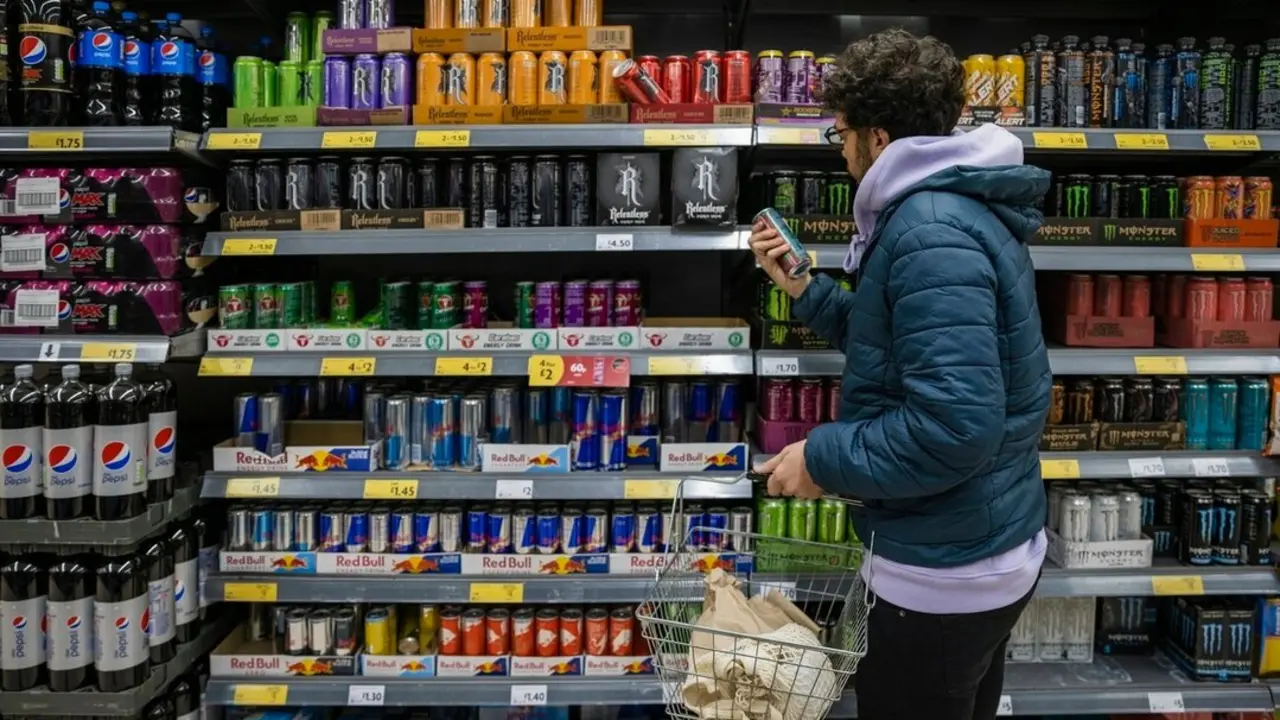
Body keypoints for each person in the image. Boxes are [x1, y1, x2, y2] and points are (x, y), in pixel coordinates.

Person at [749, 28, 1052, 720]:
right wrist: (809, 291)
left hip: (948, 574)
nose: (843, 149)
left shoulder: (929, 232)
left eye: (843, 133)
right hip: (971, 543)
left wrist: (819, 458)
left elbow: (951, 428)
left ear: (878, 138)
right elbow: (907, 348)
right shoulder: (943, 210)